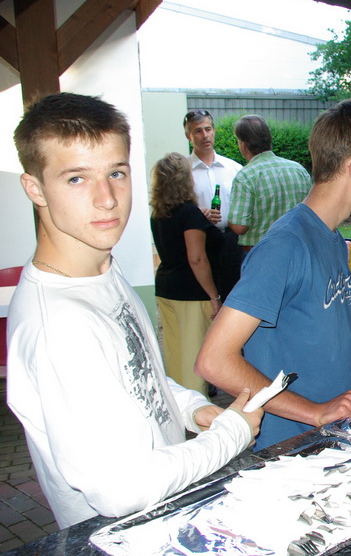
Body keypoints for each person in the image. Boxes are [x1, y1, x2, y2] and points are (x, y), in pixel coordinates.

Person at [6, 93, 262, 530]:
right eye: (76, 178)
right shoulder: (59, 326)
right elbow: (122, 489)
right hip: (117, 539)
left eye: (116, 173)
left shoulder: (101, 268)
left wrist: (190, 407)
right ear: (34, 188)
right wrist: (232, 432)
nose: (107, 198)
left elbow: (137, 375)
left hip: (161, 519)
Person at [195, 99, 351, 450]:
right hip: (295, 449)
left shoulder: (333, 241)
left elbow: (321, 352)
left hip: (339, 440)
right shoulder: (285, 245)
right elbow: (214, 360)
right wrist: (315, 412)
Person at [150, 152, 223, 395]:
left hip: (166, 288)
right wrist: (214, 296)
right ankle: (197, 407)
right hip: (191, 291)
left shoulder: (158, 214)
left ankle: (177, 401)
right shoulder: (189, 214)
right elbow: (196, 258)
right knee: (194, 354)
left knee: (174, 352)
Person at [183, 109, 244, 297]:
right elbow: (177, 210)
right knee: (207, 299)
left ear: (214, 131)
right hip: (201, 244)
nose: (205, 135)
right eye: (198, 131)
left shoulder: (234, 169)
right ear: (188, 136)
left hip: (232, 242)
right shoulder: (183, 172)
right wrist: (198, 214)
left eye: (208, 129)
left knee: (234, 295)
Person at [229, 115, 313, 250]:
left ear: (243, 145)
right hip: (298, 248)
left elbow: (239, 227)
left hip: (262, 251)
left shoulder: (246, 176)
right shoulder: (298, 169)